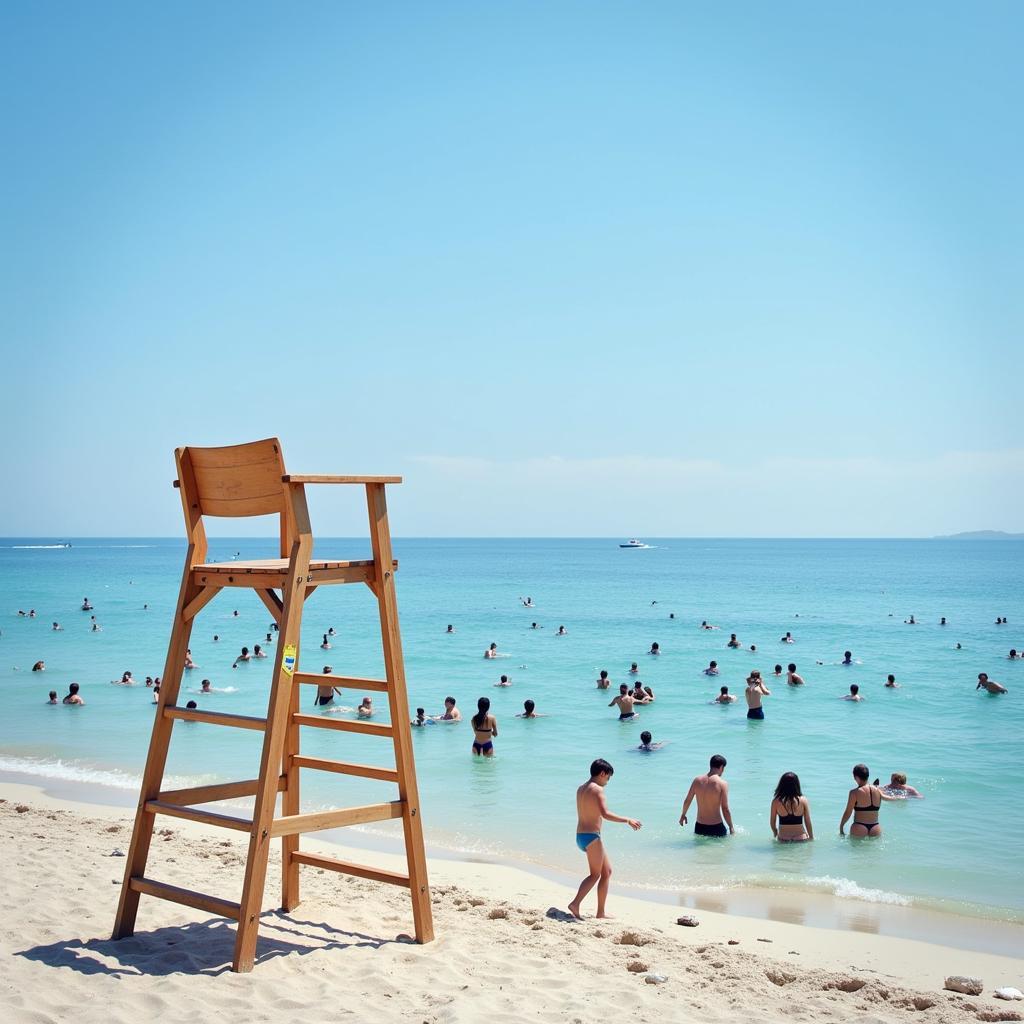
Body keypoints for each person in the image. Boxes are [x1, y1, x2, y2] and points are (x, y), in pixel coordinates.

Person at [568, 758, 641, 920]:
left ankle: (600, 912)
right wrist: (627, 820)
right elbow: (605, 814)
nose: (607, 782)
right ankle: (575, 903)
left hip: (581, 835)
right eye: (608, 778)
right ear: (602, 773)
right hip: (592, 837)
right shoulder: (598, 790)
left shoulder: (581, 788)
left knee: (606, 872)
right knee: (595, 875)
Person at [679, 754, 733, 837]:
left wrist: (683, 815)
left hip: (699, 827)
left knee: (700, 850)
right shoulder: (722, 784)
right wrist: (731, 827)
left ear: (711, 765)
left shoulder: (697, 781)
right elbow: (725, 809)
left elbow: (688, 800)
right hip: (716, 827)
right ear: (721, 767)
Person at [840, 763, 895, 837]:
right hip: (875, 828)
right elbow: (888, 798)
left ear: (856, 777)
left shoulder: (854, 793)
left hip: (859, 827)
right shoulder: (878, 790)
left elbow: (848, 812)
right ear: (867, 776)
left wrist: (841, 826)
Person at [770, 772, 813, 842]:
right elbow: (808, 821)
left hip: (783, 838)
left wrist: (775, 832)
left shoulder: (776, 802)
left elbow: (772, 822)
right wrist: (811, 837)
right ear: (797, 785)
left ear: (781, 785)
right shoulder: (803, 800)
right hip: (801, 838)